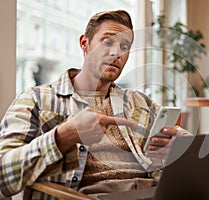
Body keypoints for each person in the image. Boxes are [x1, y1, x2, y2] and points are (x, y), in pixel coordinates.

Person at [0, 10, 188, 199]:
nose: (117, 53)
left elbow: (191, 148)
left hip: (153, 192)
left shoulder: (141, 102)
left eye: (125, 46)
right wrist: (62, 136)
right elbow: (2, 176)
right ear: (85, 44)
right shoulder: (36, 99)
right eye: (107, 42)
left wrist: (177, 149)